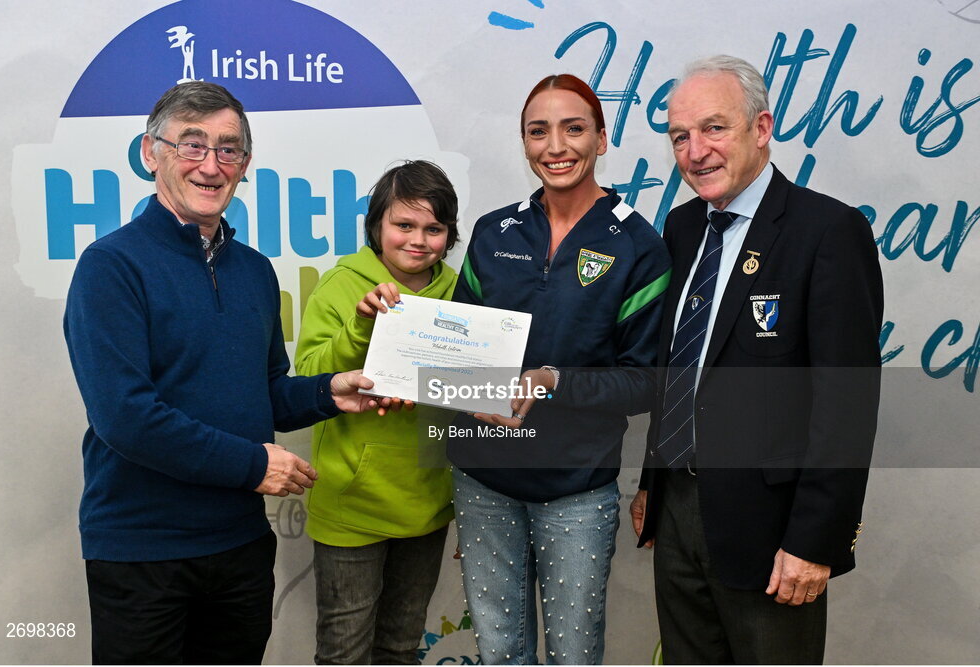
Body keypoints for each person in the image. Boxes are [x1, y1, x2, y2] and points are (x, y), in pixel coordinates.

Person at [63, 81, 385, 665]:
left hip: (239, 547)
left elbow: (262, 396)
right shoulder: (110, 267)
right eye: (192, 145)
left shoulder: (256, 272)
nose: (211, 165)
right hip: (143, 552)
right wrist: (254, 464)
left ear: (244, 165)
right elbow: (124, 417)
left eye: (228, 149)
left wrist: (326, 393)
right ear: (149, 153)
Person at [630, 55, 883, 664]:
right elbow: (681, 364)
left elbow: (845, 407)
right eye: (679, 137)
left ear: (762, 128)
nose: (695, 152)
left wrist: (815, 542)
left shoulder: (829, 231)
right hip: (680, 513)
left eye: (714, 128)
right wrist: (652, 482)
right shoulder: (684, 226)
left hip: (773, 532)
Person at [448, 74, 672, 664]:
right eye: (538, 131)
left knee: (573, 655)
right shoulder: (494, 233)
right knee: (498, 651)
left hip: (575, 488)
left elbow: (645, 381)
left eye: (573, 129)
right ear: (523, 143)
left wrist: (553, 381)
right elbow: (459, 351)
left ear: (602, 138)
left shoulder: (638, 247)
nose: (556, 146)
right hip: (483, 480)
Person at [293, 160, 461, 664]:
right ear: (377, 227)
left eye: (434, 228)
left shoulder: (462, 292)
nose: (418, 240)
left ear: (449, 235)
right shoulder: (340, 285)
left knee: (401, 647)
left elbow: (475, 391)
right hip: (352, 504)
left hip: (426, 503)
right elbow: (307, 378)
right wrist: (363, 326)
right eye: (403, 225)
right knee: (344, 651)